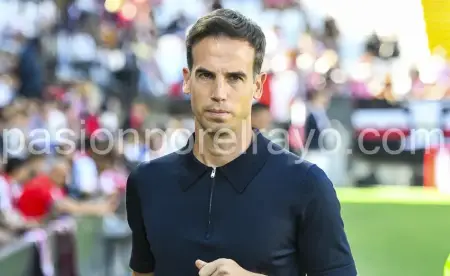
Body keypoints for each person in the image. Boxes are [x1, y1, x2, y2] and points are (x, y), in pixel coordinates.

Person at [126, 9, 356, 276]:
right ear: (187, 80)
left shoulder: (307, 185)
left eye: (235, 78)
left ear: (257, 86)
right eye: (206, 75)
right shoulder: (148, 182)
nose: (219, 93)